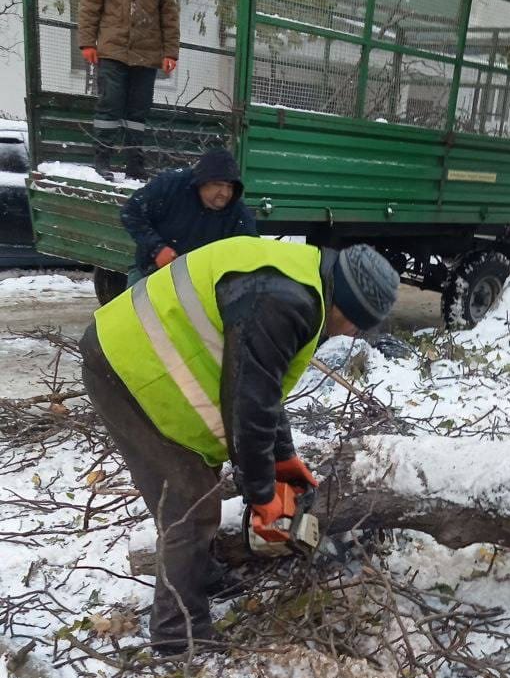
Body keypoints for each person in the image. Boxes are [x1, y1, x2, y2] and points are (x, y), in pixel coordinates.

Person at [79, 237, 400, 656]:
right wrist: (262, 495)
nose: (353, 333)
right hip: (125, 365)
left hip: (148, 362)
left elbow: (262, 388)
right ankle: (179, 633)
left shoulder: (302, 281)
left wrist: (283, 459)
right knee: (189, 501)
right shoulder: (284, 302)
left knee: (200, 475)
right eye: (357, 323)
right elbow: (247, 406)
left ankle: (201, 573)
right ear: (348, 306)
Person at [78, 0, 180, 181]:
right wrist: (87, 42)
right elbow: (90, 1)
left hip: (147, 53)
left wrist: (170, 51)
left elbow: (168, 11)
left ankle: (135, 164)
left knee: (138, 112)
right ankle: (102, 160)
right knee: (109, 104)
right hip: (112, 49)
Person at [120, 148, 258, 285]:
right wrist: (157, 248)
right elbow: (131, 211)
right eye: (218, 185)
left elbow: (252, 250)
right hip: (151, 272)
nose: (225, 193)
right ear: (203, 181)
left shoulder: (237, 213)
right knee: (132, 305)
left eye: (230, 187)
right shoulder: (171, 186)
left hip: (202, 283)